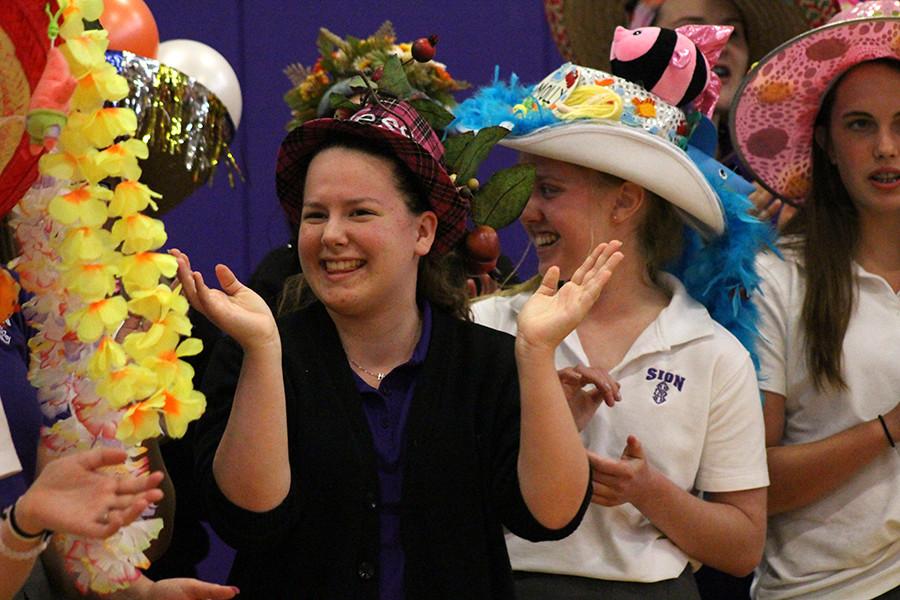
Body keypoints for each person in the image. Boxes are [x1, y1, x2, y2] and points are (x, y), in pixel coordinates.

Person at [175, 96, 621, 598]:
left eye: (360, 213)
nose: (332, 235)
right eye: (315, 215)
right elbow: (248, 518)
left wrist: (538, 352)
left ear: (423, 231)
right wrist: (261, 349)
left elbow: (550, 516)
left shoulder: (490, 363)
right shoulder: (256, 352)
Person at [455, 45, 770, 597]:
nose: (526, 210)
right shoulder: (486, 325)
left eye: (549, 189)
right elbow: (436, 507)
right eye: (528, 188)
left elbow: (743, 548)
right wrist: (542, 429)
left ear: (625, 203)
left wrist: (648, 491)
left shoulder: (711, 351)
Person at [730, 2, 900, 597]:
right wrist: (890, 428)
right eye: (860, 124)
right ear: (825, 142)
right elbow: (750, 485)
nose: (885, 147)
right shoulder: (778, 277)